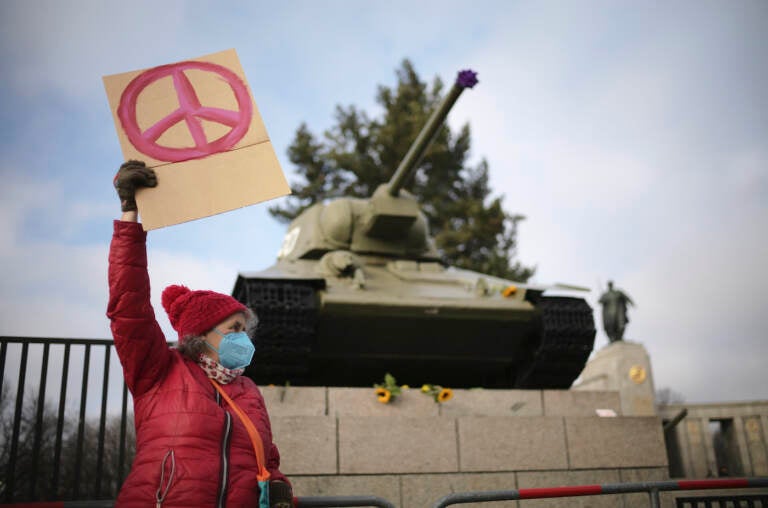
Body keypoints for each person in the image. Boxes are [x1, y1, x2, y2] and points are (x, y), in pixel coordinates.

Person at [107, 160, 292, 507]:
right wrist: (130, 215)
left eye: (245, 329)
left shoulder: (247, 390)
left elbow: (266, 460)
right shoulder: (159, 372)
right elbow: (127, 308)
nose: (243, 338)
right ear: (199, 336)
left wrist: (279, 485)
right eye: (233, 329)